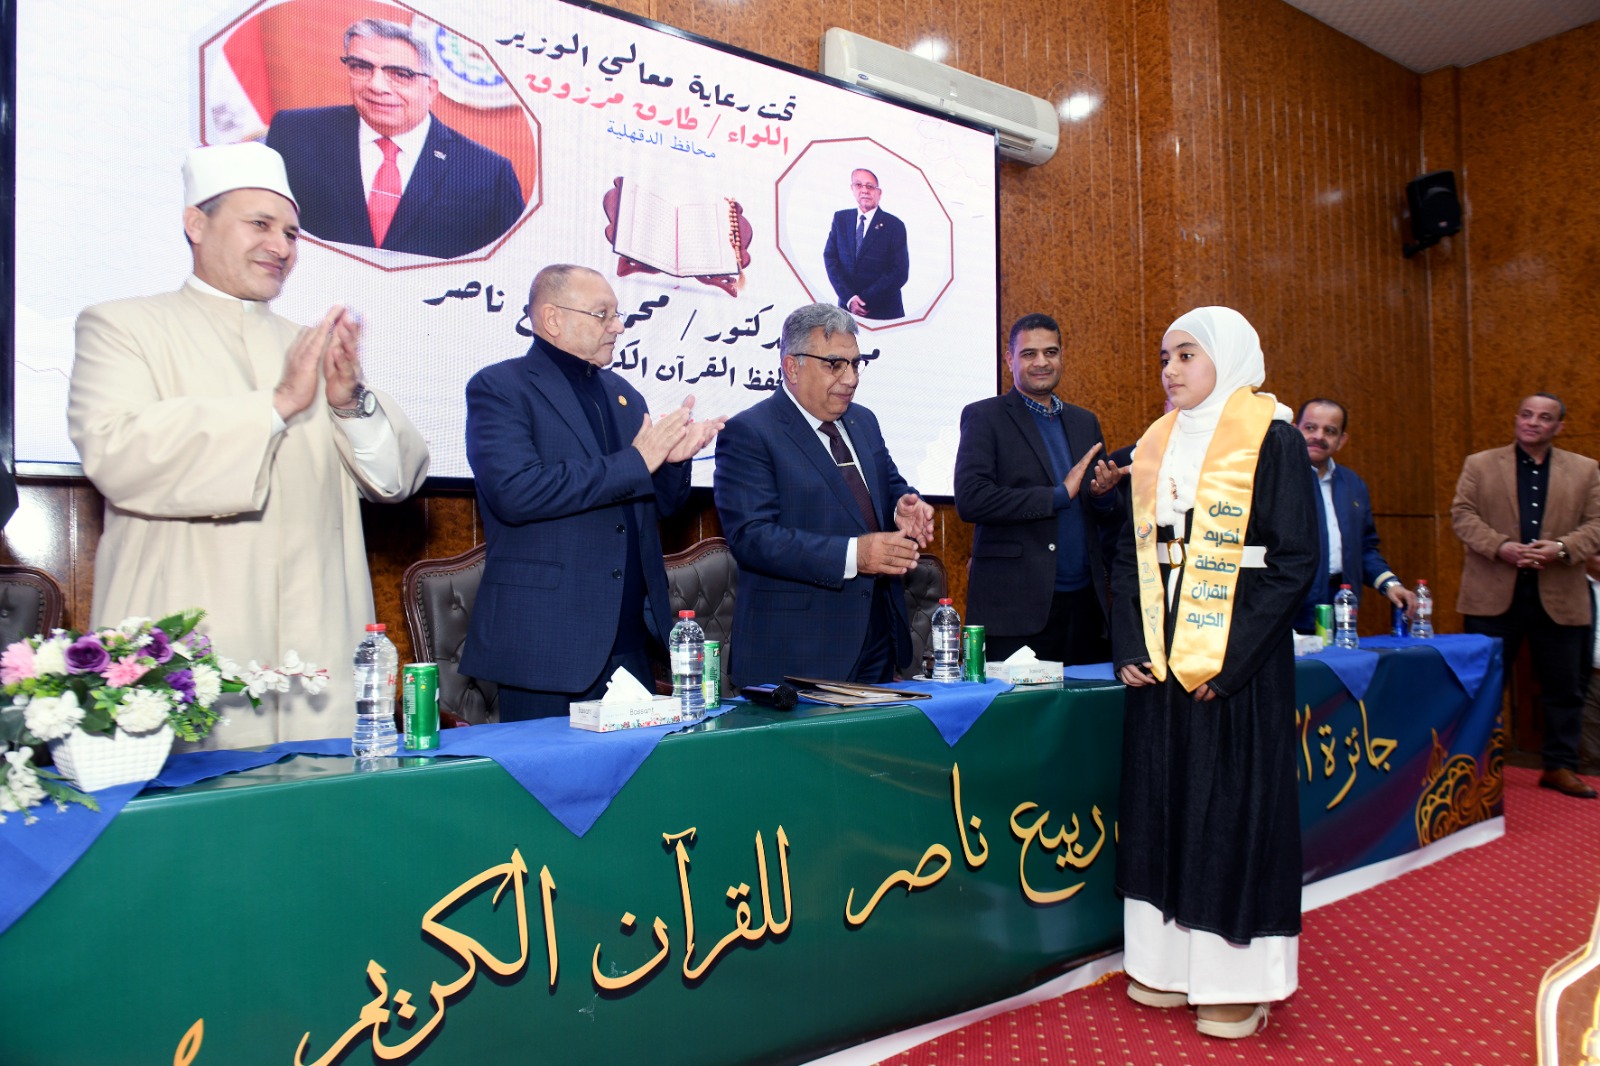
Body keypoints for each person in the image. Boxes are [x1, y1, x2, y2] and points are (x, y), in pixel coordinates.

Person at [68, 142, 430, 748]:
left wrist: (348, 401)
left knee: (320, 798)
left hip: (317, 637)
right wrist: (275, 405)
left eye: (291, 233)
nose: (280, 247)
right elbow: (118, 452)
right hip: (197, 638)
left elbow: (395, 479)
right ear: (195, 223)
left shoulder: (312, 345)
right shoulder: (122, 326)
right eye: (259, 225)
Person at [1112, 306, 1317, 1039]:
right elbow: (1129, 553)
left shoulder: (1275, 438)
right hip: (1161, 656)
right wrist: (1131, 643)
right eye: (1165, 357)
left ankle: (1236, 981)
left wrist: (1226, 664)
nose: (1169, 370)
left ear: (1225, 357)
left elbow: (1293, 562)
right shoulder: (1154, 442)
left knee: (1229, 806)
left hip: (1239, 661)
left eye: (1186, 355)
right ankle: (1166, 964)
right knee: (1161, 801)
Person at [460, 265, 722, 720]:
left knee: (640, 768)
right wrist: (638, 461)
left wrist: (672, 464)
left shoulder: (625, 395)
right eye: (603, 314)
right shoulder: (501, 388)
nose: (617, 326)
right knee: (545, 767)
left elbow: (657, 508)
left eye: (617, 314)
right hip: (547, 643)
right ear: (552, 318)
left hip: (630, 643)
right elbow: (516, 492)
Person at [714, 303, 934, 688]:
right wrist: (855, 555)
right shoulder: (751, 432)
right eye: (835, 365)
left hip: (877, 637)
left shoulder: (863, 421)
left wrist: (903, 505)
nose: (851, 378)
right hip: (797, 651)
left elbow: (888, 486)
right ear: (792, 367)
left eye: (856, 364)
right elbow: (752, 537)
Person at [266, 18, 525, 260]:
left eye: (400, 74)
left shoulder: (489, 173)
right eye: (361, 67)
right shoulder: (294, 133)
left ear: (430, 89)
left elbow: (510, 267)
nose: (376, 86)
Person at [1451, 393, 1600, 799]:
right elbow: (1462, 515)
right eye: (1527, 414)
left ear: (1559, 426)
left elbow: (1596, 524)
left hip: (1561, 594)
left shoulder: (1585, 470)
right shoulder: (1480, 464)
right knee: (1483, 685)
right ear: (1517, 418)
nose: (1533, 422)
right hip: (1493, 594)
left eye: (1544, 417)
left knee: (1565, 687)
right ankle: (1476, 765)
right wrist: (1501, 547)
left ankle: (1559, 766)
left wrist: (1563, 548)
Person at [954, 313, 1124, 665]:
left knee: (1087, 702)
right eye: (1029, 353)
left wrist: (1104, 495)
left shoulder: (1085, 422)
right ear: (1009, 359)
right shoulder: (985, 417)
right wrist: (1057, 495)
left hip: (1085, 606)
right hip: (1015, 610)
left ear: (1062, 355)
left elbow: (1107, 513)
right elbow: (971, 499)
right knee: (1018, 704)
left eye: (1050, 352)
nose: (1041, 362)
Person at [1293, 398, 1418, 630]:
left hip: (1341, 607)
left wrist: (1391, 585)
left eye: (1330, 431)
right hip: (1289, 611)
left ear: (1341, 440)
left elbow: (1365, 549)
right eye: (1310, 427)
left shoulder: (1352, 484)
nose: (1319, 436)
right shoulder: (1275, 479)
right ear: (1294, 431)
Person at [821, 169, 909, 321]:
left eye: (870, 186)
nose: (864, 190)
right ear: (852, 189)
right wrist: (849, 298)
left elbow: (899, 272)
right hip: (846, 311)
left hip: (884, 312)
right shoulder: (840, 219)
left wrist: (863, 300)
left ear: (879, 193)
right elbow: (830, 259)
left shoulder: (895, 225)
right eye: (858, 185)